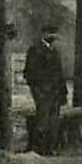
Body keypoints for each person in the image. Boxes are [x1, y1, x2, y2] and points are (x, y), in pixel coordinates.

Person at [24, 24, 67, 154]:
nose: (53, 36)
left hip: (55, 92)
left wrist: (63, 92)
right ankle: (39, 148)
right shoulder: (35, 50)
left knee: (54, 121)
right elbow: (29, 73)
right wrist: (37, 90)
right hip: (42, 91)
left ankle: (50, 147)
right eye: (50, 33)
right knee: (42, 120)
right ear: (44, 34)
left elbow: (60, 74)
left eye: (54, 34)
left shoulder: (55, 52)